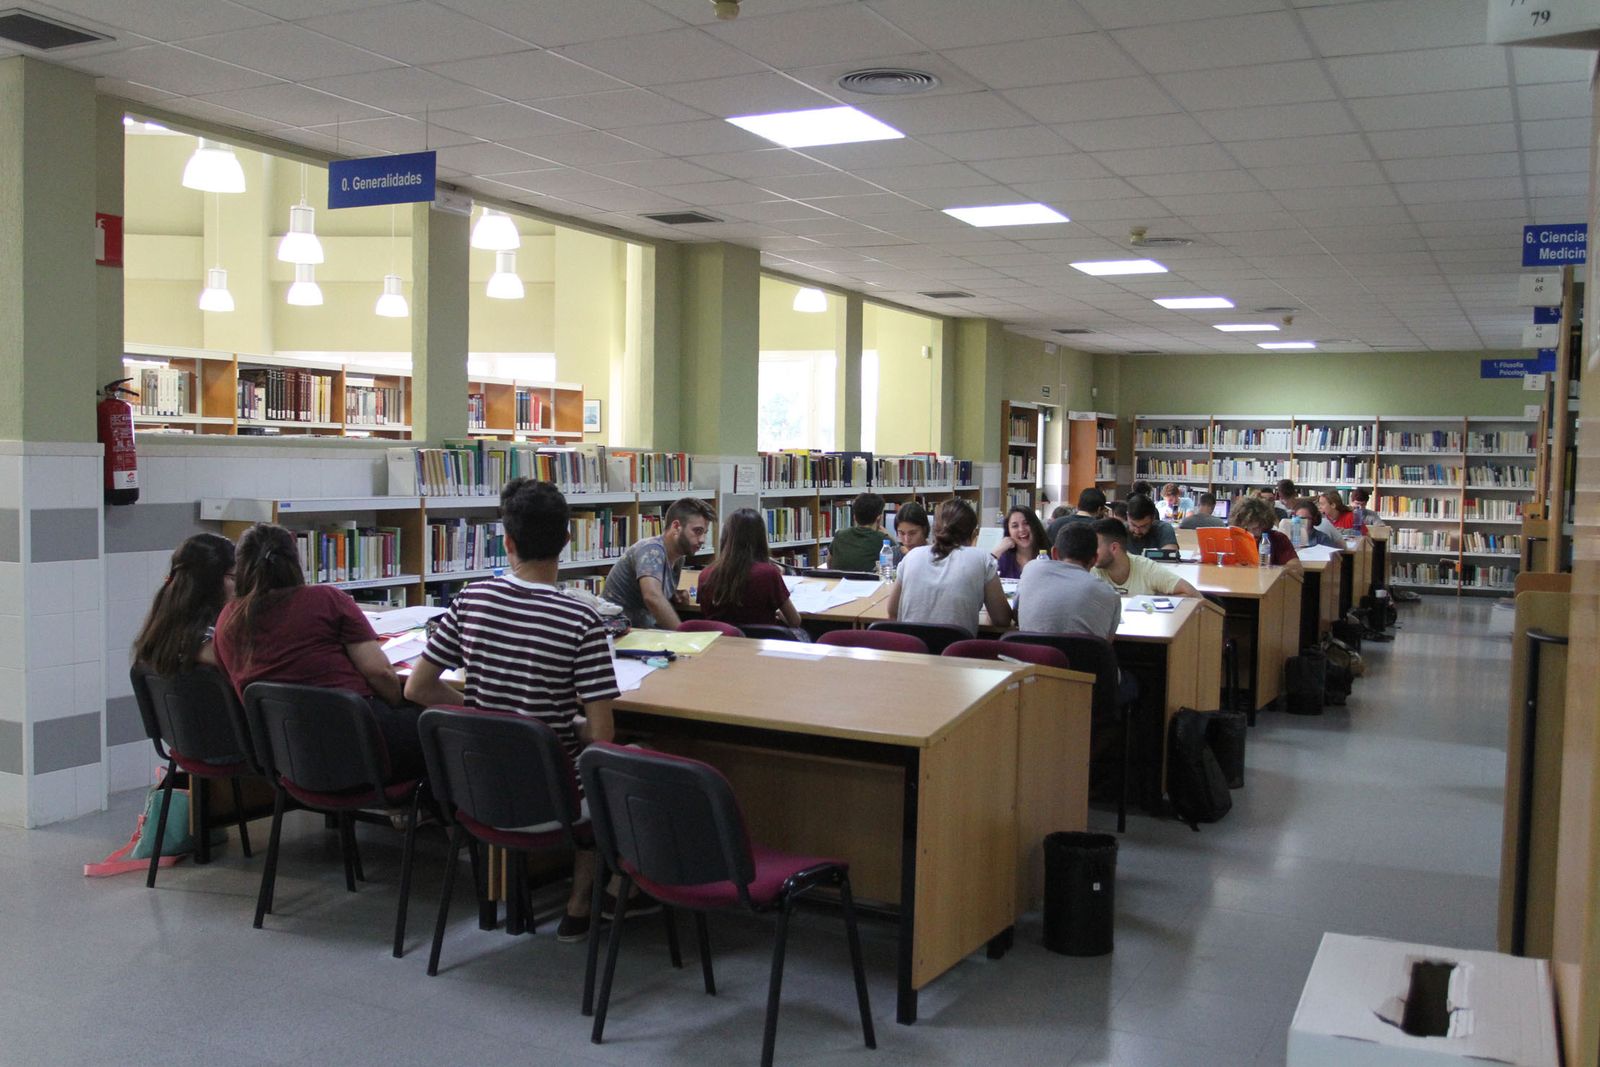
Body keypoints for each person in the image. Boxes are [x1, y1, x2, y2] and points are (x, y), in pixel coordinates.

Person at [405, 478, 621, 943]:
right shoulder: (581, 620)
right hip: (553, 800)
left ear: (506, 542)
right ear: (568, 540)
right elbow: (603, 737)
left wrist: (484, 711)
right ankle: (581, 905)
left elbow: (417, 689)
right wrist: (572, 724)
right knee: (620, 769)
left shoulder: (470, 599)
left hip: (478, 791)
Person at [213, 522, 422, 778]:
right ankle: (430, 813)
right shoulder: (327, 600)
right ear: (295, 560)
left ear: (242, 567)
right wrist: (396, 705)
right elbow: (380, 673)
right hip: (359, 743)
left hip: (288, 754)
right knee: (437, 723)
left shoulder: (228, 618)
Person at [886, 498, 1012, 638]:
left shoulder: (911, 556)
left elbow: (892, 611)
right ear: (973, 534)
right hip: (958, 654)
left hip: (914, 652)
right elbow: (1002, 620)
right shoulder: (982, 559)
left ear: (934, 530)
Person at [601, 496, 715, 630]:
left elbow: (654, 591)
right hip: (620, 630)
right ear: (676, 527)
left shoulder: (678, 557)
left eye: (705, 533)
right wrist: (682, 636)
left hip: (641, 630)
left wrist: (673, 595)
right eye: (697, 531)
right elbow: (652, 597)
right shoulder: (651, 550)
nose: (702, 539)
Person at [132, 533, 237, 675]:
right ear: (210, 583)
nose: (240, 587)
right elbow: (245, 664)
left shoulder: (160, 635)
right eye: (234, 577)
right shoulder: (204, 645)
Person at [696, 508, 802, 628]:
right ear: (761, 539)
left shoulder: (706, 574)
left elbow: (706, 615)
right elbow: (795, 621)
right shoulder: (768, 574)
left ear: (725, 537)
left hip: (721, 643)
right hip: (760, 643)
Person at [1015, 523, 1121, 641]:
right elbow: (1107, 643)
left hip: (1030, 657)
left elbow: (1016, 614)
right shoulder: (1110, 595)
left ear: (1054, 553)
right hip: (1083, 659)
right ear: (1094, 559)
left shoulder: (1031, 569)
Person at [1091, 518, 1199, 597]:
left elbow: (1192, 594)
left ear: (1114, 548)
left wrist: (1154, 602)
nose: (1089, 552)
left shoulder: (1147, 569)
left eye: (1094, 547)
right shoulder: (1089, 571)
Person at [1232, 496, 1303, 575]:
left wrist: (1272, 569)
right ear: (1241, 523)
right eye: (1249, 525)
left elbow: (1297, 568)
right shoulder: (1232, 538)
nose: (1256, 529)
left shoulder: (1278, 538)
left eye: (1260, 525)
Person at [828, 492, 892, 573]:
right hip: (869, 584)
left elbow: (829, 563)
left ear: (854, 517)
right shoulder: (883, 539)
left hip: (838, 583)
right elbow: (900, 558)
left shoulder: (840, 535)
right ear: (879, 518)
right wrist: (888, 534)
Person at [993, 505, 1048, 580]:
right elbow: (981, 576)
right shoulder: (1004, 559)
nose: (1021, 529)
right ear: (1008, 531)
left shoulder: (1049, 557)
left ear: (1035, 526)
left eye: (1026, 523)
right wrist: (998, 550)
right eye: (1015, 526)